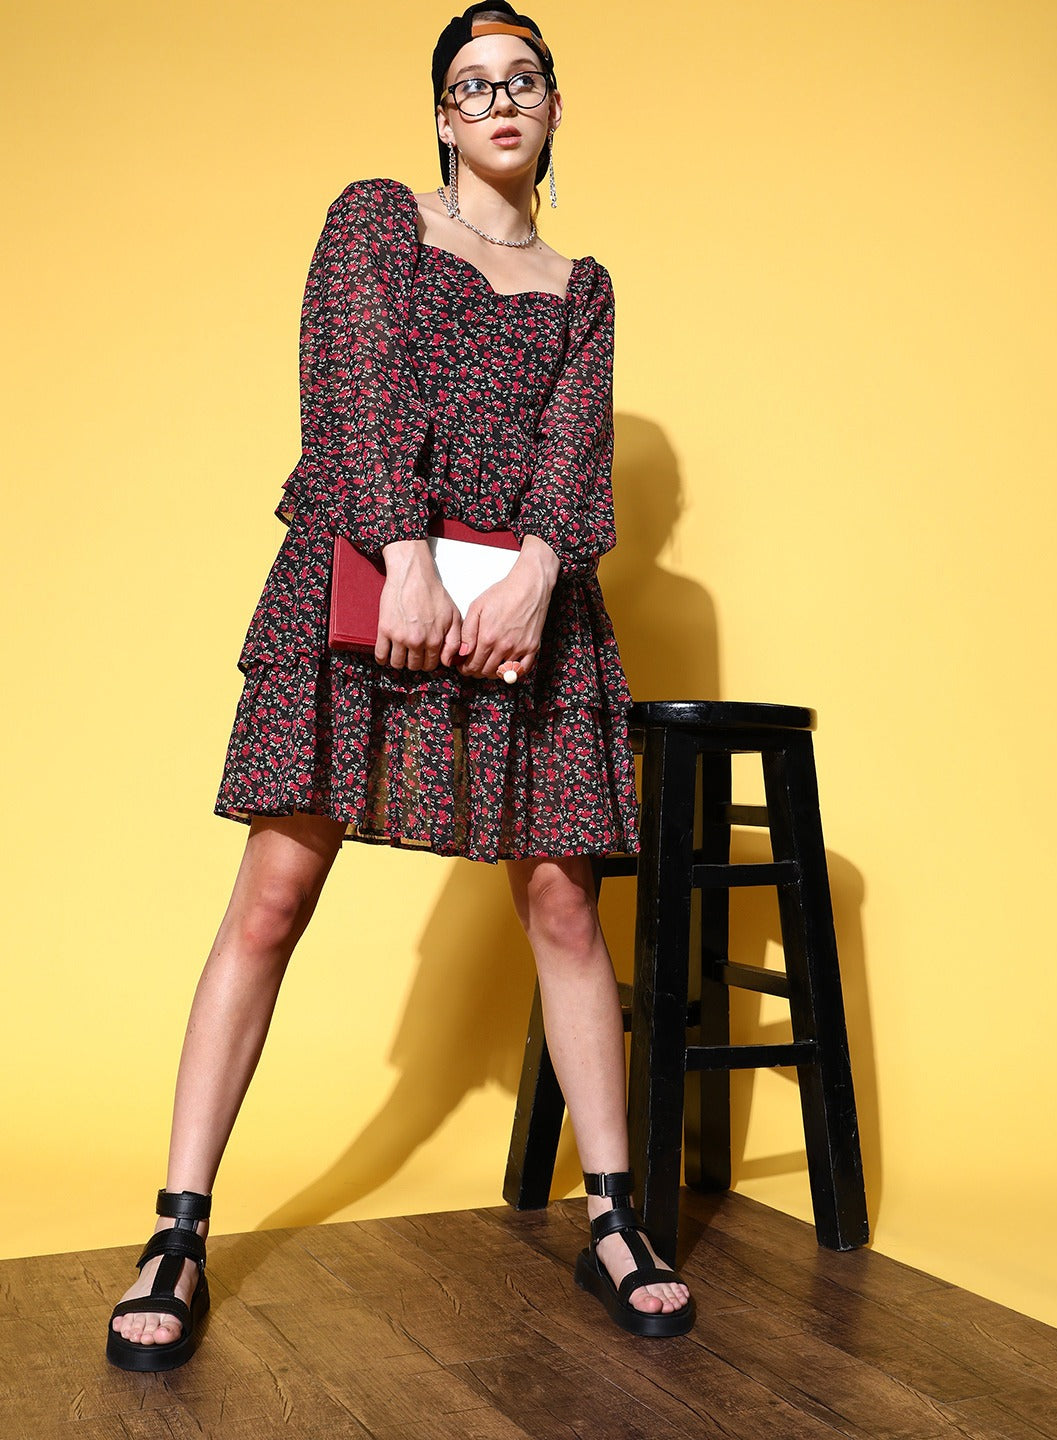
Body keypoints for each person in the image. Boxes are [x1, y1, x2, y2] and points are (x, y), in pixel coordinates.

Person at [106, 1, 694, 1371]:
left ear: (555, 107)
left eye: (524, 79)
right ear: (441, 115)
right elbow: (352, 391)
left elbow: (572, 451)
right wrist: (406, 558)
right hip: (375, 573)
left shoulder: (584, 285)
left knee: (564, 902)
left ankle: (614, 1217)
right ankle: (177, 1232)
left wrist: (543, 572)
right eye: (473, 84)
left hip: (520, 605)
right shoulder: (376, 220)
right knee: (274, 896)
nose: (501, 100)